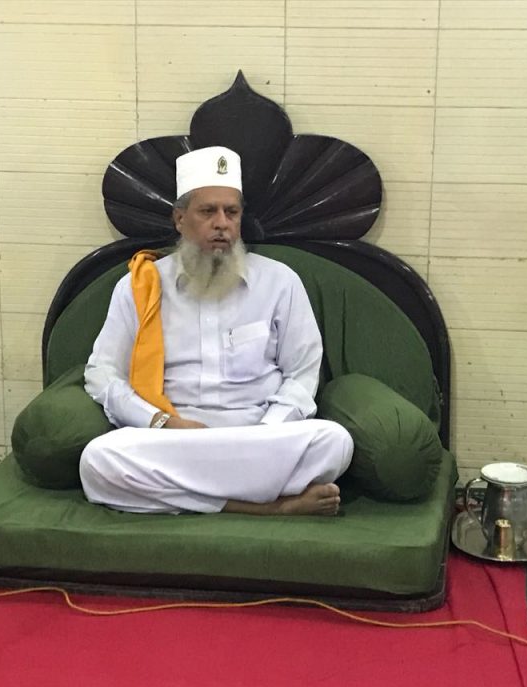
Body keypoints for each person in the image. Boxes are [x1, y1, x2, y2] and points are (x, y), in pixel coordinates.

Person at [80, 146, 353, 515]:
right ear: (180, 218)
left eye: (232, 212)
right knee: (98, 460)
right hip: (175, 439)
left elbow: (303, 374)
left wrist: (266, 432)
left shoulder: (280, 282)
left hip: (259, 436)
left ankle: (193, 495)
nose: (222, 223)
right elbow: (101, 374)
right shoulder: (140, 286)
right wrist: (161, 423)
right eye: (208, 211)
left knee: (334, 441)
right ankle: (267, 507)